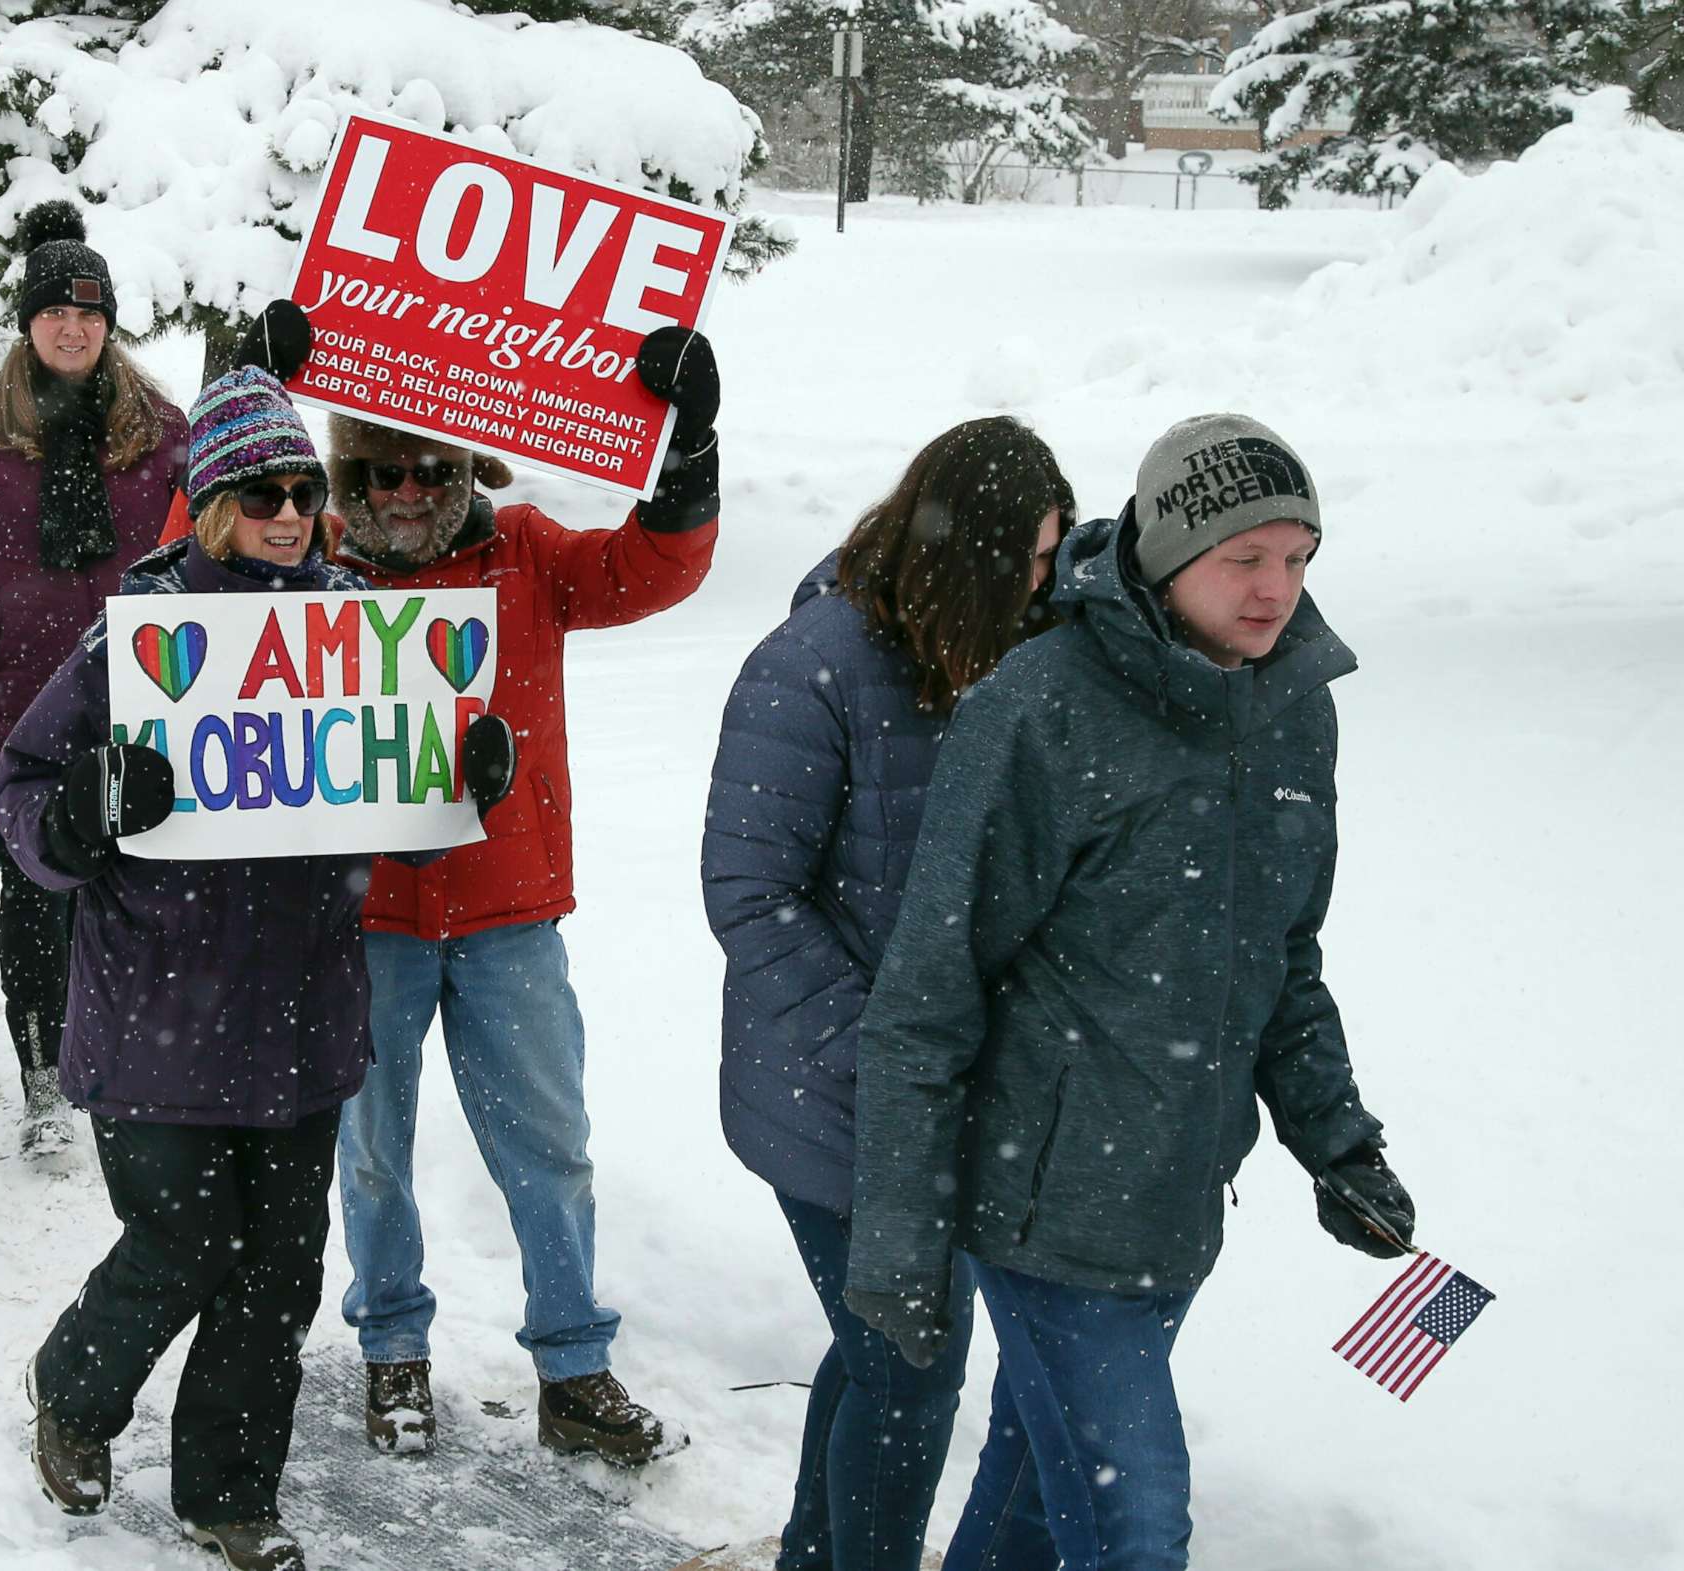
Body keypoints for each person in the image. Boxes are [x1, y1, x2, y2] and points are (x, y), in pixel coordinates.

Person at [848, 415, 1414, 1571]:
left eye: (1299, 558)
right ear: (1166, 554)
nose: (1276, 591)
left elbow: (1281, 958)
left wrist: (1338, 1143)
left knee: (1029, 1507)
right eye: (1245, 558)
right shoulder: (1042, 705)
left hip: (1177, 1199)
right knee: (1133, 1531)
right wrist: (899, 1236)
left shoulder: (1292, 707)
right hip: (1047, 1210)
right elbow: (928, 991)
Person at [0, 365, 514, 1571]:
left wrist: (460, 773)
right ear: (216, 503)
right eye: (262, 491)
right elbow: (19, 797)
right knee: (181, 1241)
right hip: (155, 1009)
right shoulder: (142, 632)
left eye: (302, 489)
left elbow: (387, 792)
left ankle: (230, 1493)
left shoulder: (358, 628)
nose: (289, 512)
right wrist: (84, 812)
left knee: (279, 1270)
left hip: (300, 1013)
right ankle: (73, 1388)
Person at [320, 314, 723, 1465]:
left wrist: (689, 439)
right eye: (384, 470)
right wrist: (252, 378)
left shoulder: (528, 555)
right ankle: (392, 1349)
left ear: (470, 470)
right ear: (351, 475)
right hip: (367, 920)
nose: (410, 490)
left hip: (510, 917)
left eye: (434, 468)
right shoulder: (309, 570)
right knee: (371, 1150)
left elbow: (658, 566)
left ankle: (574, 1367)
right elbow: (189, 572)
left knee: (550, 1147)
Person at [699, 418, 1074, 1571]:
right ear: (955, 553)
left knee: (881, 1350)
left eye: (1054, 557)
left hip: (952, 1095)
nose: (1040, 583)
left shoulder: (1016, 647)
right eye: (1021, 558)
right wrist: (890, 1052)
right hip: (829, 1093)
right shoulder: (814, 663)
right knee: (911, 1363)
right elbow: (748, 894)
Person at [0, 199, 189, 1160]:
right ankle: (44, 1075)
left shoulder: (160, 431)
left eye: (91, 315)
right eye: (57, 313)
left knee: (145, 892)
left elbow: (221, 543)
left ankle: (134, 1057)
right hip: (15, 717)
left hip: (146, 710)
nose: (74, 329)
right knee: (39, 900)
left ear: (111, 326)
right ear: (27, 322)